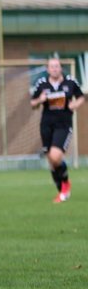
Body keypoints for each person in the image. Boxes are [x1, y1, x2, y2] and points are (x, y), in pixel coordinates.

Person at [30, 55, 84, 203]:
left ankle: (66, 184)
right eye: (52, 66)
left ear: (61, 68)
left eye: (57, 66)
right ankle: (62, 192)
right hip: (46, 125)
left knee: (55, 156)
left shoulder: (70, 82)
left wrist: (75, 104)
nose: (54, 69)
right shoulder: (41, 84)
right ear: (47, 69)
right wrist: (39, 100)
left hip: (64, 125)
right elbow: (32, 104)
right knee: (52, 162)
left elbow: (81, 97)